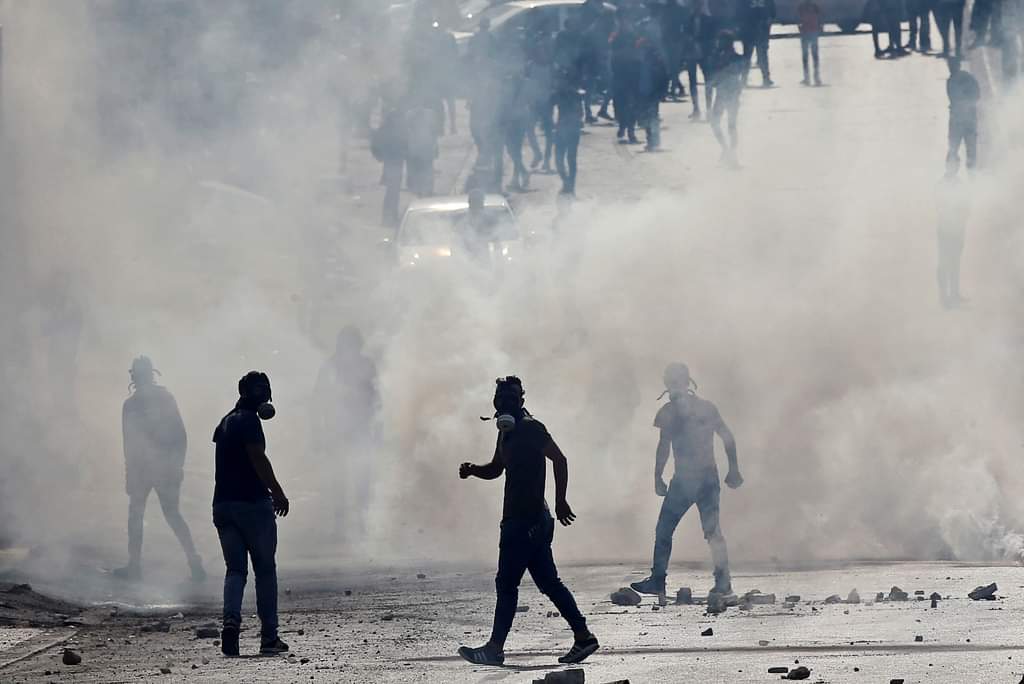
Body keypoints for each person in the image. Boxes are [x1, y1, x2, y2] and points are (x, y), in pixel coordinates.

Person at [457, 377, 599, 667]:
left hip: (526, 521)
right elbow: (497, 468)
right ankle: (584, 637)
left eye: (510, 397)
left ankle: (494, 649)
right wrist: (474, 470)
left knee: (507, 584)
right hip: (527, 520)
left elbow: (559, 459)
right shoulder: (505, 432)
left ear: (521, 400)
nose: (504, 402)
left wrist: (561, 501)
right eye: (500, 397)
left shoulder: (532, 428)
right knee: (549, 582)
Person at [631, 364, 742, 603]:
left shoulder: (671, 412)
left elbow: (664, 447)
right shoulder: (704, 407)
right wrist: (733, 468)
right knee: (712, 532)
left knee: (665, 530)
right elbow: (727, 437)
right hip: (706, 479)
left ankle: (658, 581)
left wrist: (657, 477)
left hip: (685, 481)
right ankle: (723, 583)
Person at [213, 371, 290, 657]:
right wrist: (278, 492)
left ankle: (231, 622)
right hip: (252, 505)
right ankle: (269, 638)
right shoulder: (250, 422)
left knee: (235, 571)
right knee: (265, 570)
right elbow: (258, 457)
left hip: (222, 506)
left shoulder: (225, 422)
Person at [113, 357, 204, 582]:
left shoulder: (135, 404)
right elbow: (178, 435)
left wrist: (175, 465)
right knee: (165, 514)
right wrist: (176, 465)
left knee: (142, 515)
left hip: (152, 469)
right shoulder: (154, 400)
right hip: (152, 469)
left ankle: (137, 566)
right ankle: (193, 562)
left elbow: (176, 435)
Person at [311, 327, 379, 539]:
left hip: (361, 428)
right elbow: (318, 398)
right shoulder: (331, 366)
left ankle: (361, 525)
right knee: (338, 479)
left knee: (362, 479)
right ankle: (340, 525)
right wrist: (317, 432)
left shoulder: (366, 365)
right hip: (338, 428)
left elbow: (376, 399)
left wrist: (378, 430)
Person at [708, 31, 745, 167]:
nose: (718, 43)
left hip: (727, 94)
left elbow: (714, 78)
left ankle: (729, 151)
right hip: (727, 94)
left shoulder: (725, 58)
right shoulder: (735, 58)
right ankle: (728, 150)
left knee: (727, 125)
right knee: (727, 125)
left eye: (720, 41)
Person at [935, 176, 970, 308]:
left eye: (956, 163)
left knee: (955, 262)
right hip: (944, 230)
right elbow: (939, 207)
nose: (953, 166)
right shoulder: (940, 185)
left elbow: (967, 206)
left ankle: (954, 295)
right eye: (951, 163)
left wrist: (963, 218)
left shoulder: (961, 185)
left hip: (958, 230)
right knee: (943, 263)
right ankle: (944, 298)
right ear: (947, 164)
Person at [945, 57, 980, 175]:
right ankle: (971, 172)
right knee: (969, 148)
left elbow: (955, 99)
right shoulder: (968, 78)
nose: (950, 68)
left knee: (954, 147)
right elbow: (976, 95)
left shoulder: (951, 81)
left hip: (957, 120)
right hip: (968, 118)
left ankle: (952, 171)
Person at [554, 79, 584, 195]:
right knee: (568, 159)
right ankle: (569, 184)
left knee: (563, 159)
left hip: (566, 129)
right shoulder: (574, 95)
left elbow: (580, 113)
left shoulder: (568, 95)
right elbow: (581, 114)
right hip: (569, 129)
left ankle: (568, 183)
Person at [738, 0, 776, 87]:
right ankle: (745, 79)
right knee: (748, 56)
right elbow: (739, 10)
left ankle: (766, 78)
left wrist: (770, 18)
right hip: (750, 29)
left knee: (761, 55)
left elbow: (772, 9)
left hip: (760, 29)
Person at [797, 0, 823, 85]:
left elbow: (798, 19)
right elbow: (820, 18)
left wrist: (800, 28)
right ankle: (816, 77)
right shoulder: (815, 6)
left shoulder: (801, 7)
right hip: (813, 31)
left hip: (805, 32)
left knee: (805, 56)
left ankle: (807, 77)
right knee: (814, 55)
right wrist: (820, 27)